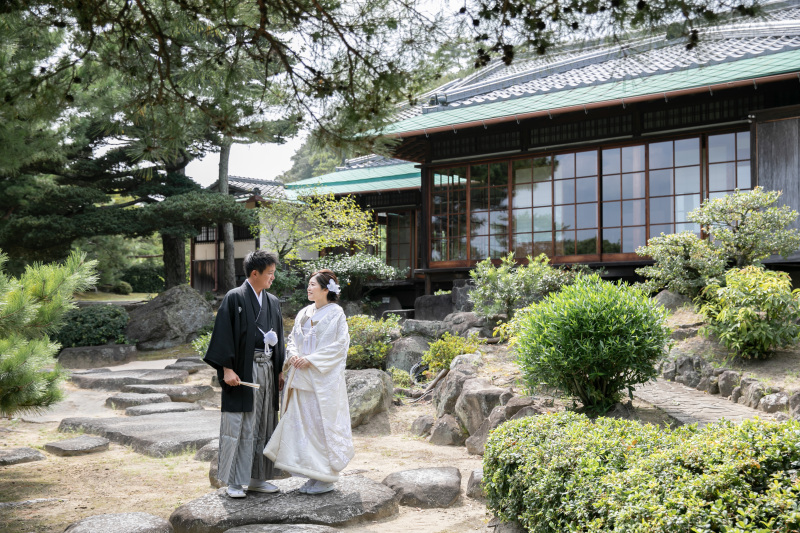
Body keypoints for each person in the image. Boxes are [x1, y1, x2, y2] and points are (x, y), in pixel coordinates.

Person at [263, 269, 354, 495]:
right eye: (309, 284)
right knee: (302, 426)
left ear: (326, 289)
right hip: (301, 377)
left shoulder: (336, 314)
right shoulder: (305, 312)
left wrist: (311, 360)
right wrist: (293, 355)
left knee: (320, 426)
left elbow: (340, 345)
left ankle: (326, 477)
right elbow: (293, 338)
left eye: (313, 284)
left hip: (321, 381)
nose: (309, 288)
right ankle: (313, 475)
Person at [203, 250, 285, 499]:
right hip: (243, 370)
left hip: (268, 369)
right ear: (254, 273)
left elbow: (279, 336)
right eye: (269, 273)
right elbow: (224, 334)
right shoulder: (235, 297)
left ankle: (258, 479)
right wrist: (227, 368)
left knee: (263, 422)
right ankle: (234, 482)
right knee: (240, 424)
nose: (273, 277)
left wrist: (279, 369)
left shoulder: (272, 301)